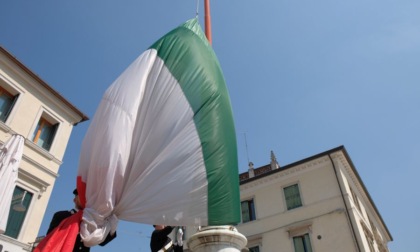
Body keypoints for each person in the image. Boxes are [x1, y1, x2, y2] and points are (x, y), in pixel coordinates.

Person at [47, 189, 116, 252]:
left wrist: (112, 226)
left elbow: (102, 242)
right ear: (75, 199)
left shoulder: (94, 219)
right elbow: (51, 238)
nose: (85, 198)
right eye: (82, 195)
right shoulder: (62, 215)